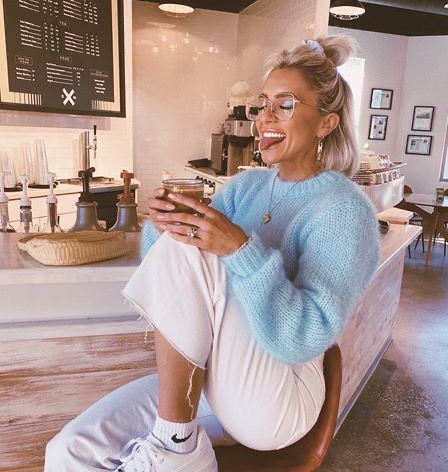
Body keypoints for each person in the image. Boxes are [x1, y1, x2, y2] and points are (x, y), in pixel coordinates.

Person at [45, 36, 380, 472]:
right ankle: (177, 443)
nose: (264, 119)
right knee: (70, 450)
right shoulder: (247, 187)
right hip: (212, 378)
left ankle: (177, 444)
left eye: (286, 105)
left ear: (327, 124)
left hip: (280, 396)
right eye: (262, 106)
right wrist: (161, 227)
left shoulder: (344, 209)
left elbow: (303, 339)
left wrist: (238, 249)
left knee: (202, 240)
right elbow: (174, 269)